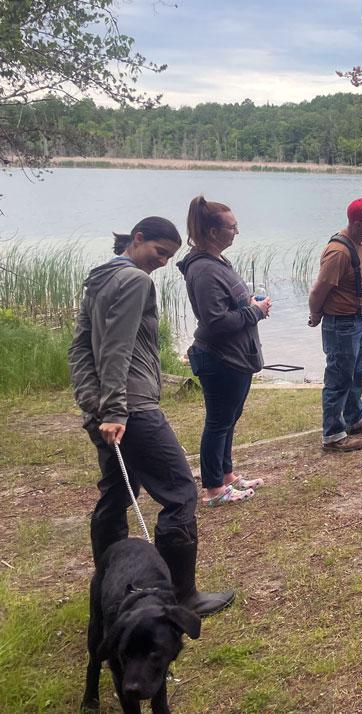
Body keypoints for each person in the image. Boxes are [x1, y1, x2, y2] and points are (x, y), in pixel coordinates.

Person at [68, 216, 235, 616]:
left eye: (169, 256)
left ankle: (111, 588)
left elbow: (80, 348)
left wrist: (91, 403)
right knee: (179, 491)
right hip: (132, 409)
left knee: (116, 492)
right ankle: (179, 597)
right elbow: (117, 349)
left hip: (108, 408)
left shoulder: (99, 279)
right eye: (159, 252)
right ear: (137, 239)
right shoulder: (135, 281)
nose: (161, 262)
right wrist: (113, 409)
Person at [178, 196, 269, 507]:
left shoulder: (216, 261)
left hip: (234, 357)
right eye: (232, 227)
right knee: (218, 421)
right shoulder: (203, 269)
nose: (235, 232)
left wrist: (252, 307)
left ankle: (226, 474)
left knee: (229, 418)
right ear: (213, 231)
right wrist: (255, 311)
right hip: (220, 358)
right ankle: (215, 489)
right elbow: (215, 321)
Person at [308, 198, 362, 451]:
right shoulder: (339, 251)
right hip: (341, 324)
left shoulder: (360, 243)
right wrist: (315, 314)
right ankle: (332, 435)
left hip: (356, 320)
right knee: (339, 378)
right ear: (357, 224)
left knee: (357, 372)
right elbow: (318, 291)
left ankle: (355, 418)